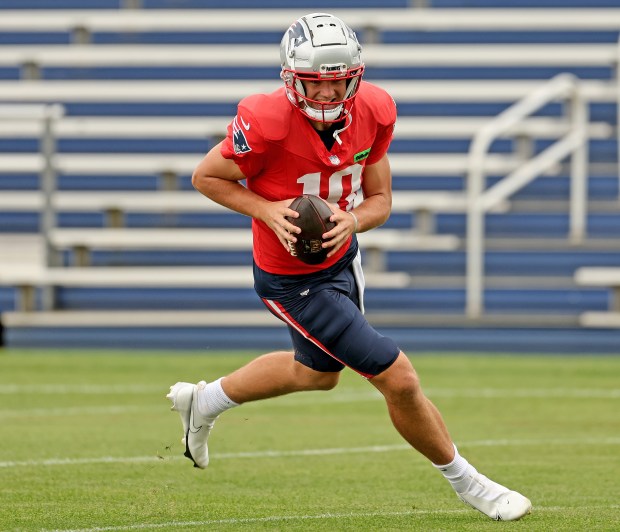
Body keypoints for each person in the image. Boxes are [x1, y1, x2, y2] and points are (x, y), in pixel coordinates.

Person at [166, 12, 532, 521]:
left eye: (335, 82)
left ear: (353, 76)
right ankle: (471, 484)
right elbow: (206, 177)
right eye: (314, 85)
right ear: (292, 80)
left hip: (343, 261)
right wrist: (267, 210)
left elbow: (380, 199)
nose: (325, 95)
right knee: (398, 377)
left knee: (316, 374)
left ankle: (203, 402)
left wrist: (352, 221)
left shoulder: (375, 111)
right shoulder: (266, 122)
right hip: (291, 279)